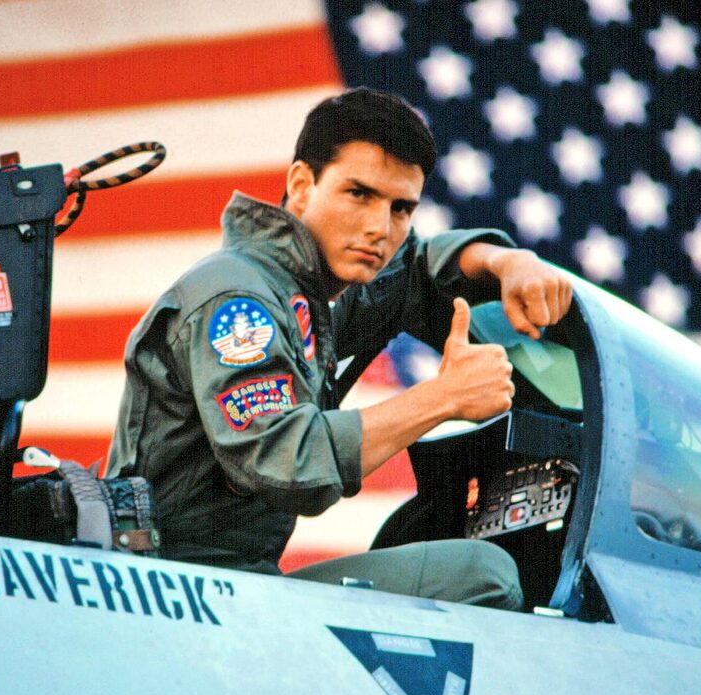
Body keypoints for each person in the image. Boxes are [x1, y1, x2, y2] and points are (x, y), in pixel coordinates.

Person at [105, 88, 572, 609]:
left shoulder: (317, 291)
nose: (380, 228)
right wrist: (444, 398)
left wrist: (507, 262)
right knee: (483, 573)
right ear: (301, 185)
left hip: (230, 587)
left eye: (401, 208)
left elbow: (418, 267)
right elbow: (287, 463)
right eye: (359, 194)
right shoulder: (239, 303)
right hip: (176, 592)